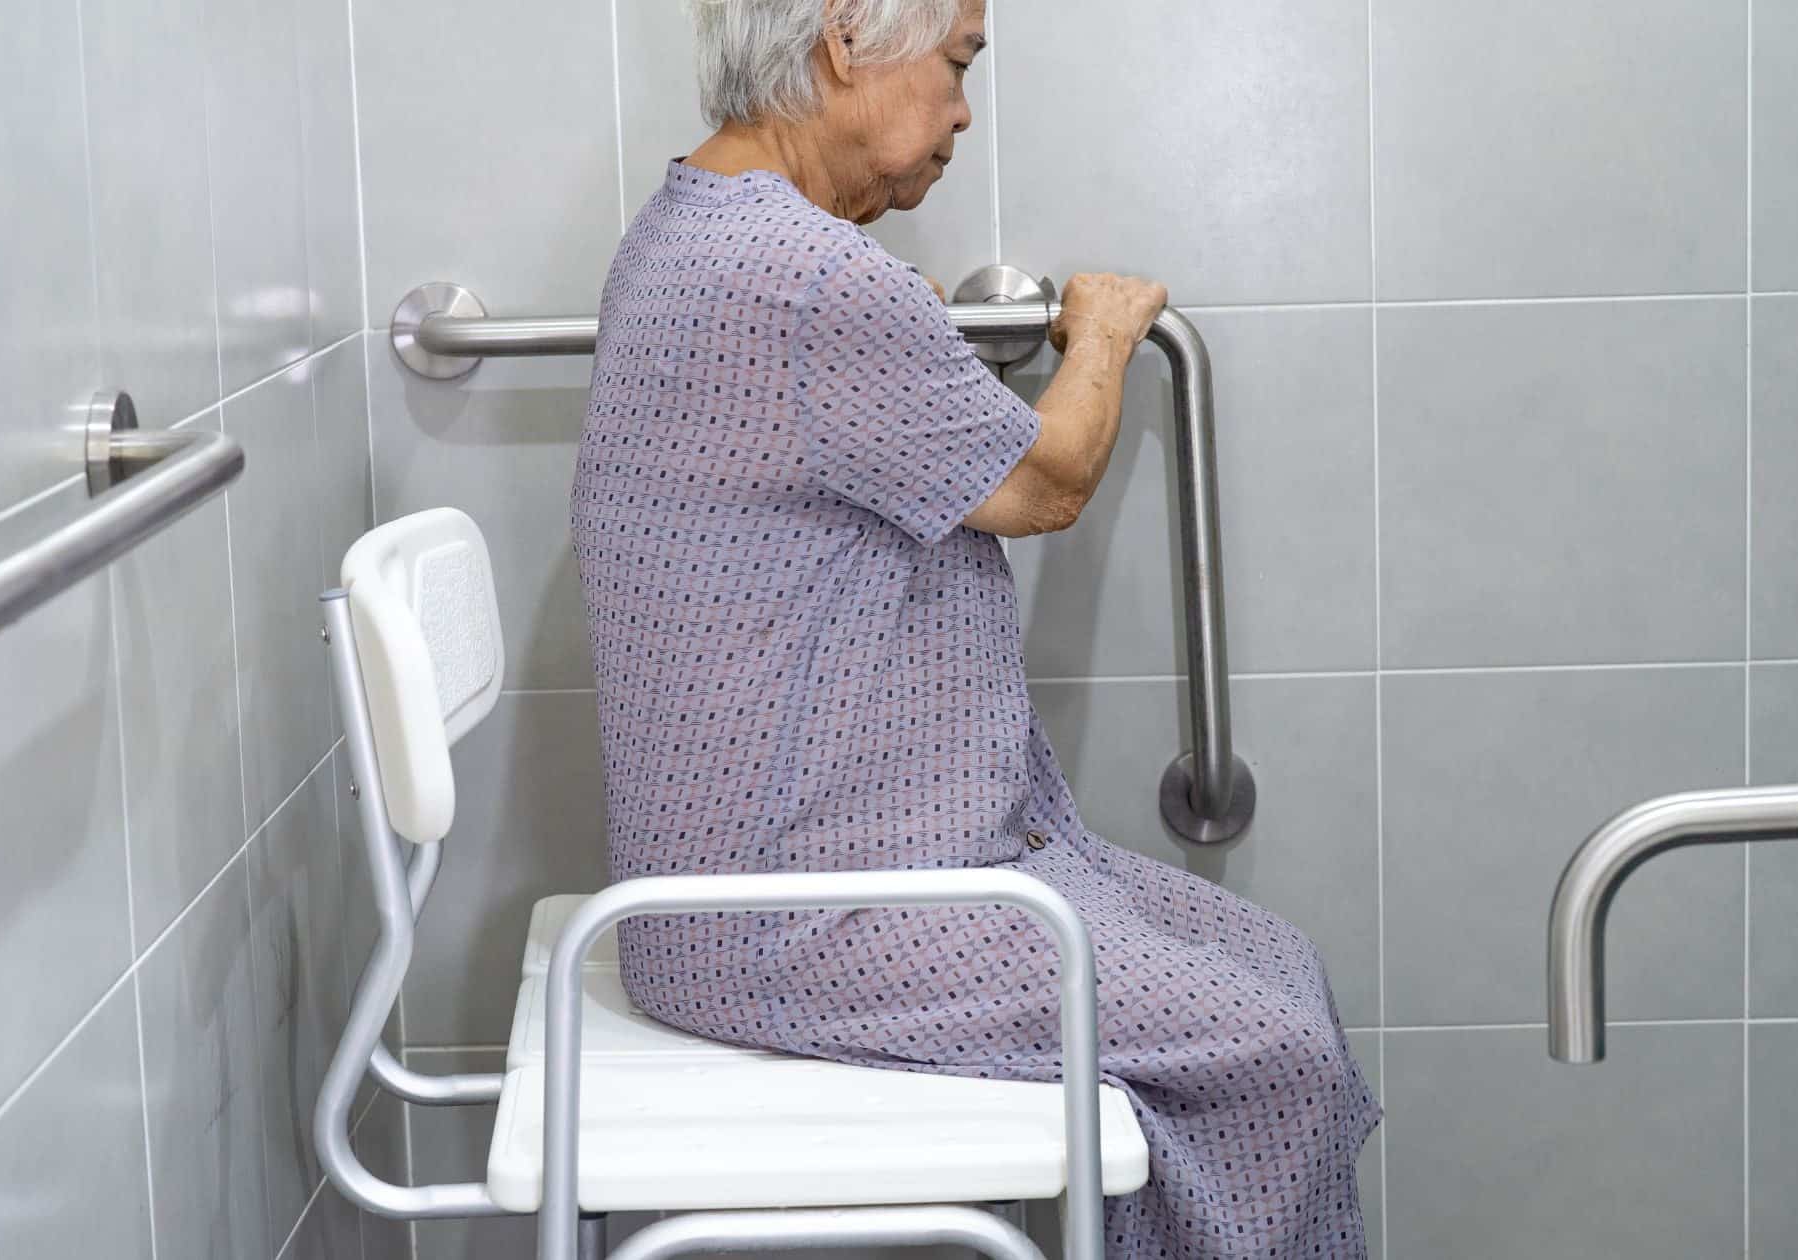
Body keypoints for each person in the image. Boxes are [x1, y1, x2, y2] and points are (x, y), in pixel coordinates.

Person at [571, 1, 1380, 1253]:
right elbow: (1044, 483)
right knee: (1272, 1056)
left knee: (1277, 973)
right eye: (955, 65)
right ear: (845, 38)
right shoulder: (806, 279)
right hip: (808, 919)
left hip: (763, 892)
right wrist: (1102, 332)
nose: (959, 113)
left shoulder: (689, 230)